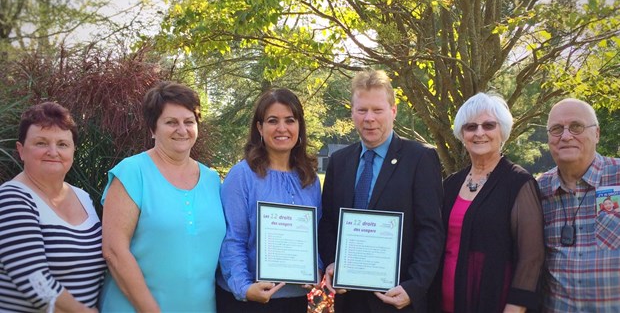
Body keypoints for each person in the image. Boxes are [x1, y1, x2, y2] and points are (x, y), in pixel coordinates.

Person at [318, 69, 444, 312]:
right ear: (352, 113)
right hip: (350, 300)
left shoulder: (420, 158)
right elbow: (329, 222)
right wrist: (333, 261)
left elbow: (431, 230)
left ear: (393, 111)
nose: (369, 118)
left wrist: (415, 286)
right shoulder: (339, 161)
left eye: (377, 110)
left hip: (398, 299)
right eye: (362, 110)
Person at [98, 82, 225, 312]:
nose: (182, 129)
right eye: (171, 122)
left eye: (189, 122)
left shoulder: (212, 180)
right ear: (152, 129)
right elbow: (114, 251)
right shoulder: (132, 172)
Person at [430, 93, 544, 313]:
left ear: (502, 131)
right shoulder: (451, 184)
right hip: (442, 304)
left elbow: (532, 257)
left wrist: (515, 308)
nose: (479, 133)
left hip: (492, 303)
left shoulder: (519, 183)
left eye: (488, 125)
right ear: (462, 134)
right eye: (471, 126)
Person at [216, 88, 322, 312]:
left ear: (299, 127)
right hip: (248, 300)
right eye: (273, 121)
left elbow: (316, 237)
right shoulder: (242, 176)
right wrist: (244, 288)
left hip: (294, 300)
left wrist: (316, 269)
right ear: (259, 128)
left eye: (290, 120)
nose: (282, 128)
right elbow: (232, 239)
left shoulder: (310, 180)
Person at [0, 102, 106, 312]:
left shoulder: (83, 197)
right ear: (21, 150)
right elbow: (35, 282)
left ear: (73, 150)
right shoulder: (11, 198)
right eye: (41, 143)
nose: (53, 151)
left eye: (62, 144)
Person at [537, 98, 620, 312]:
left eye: (576, 127)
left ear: (597, 134)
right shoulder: (539, 190)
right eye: (556, 129)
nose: (566, 136)